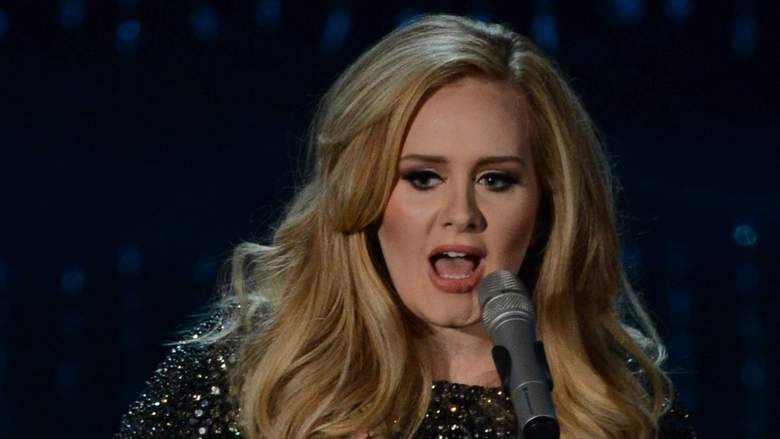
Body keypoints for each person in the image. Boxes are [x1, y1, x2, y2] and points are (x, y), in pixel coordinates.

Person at [115, 14, 697, 438]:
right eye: (423, 178)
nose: (462, 213)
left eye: (496, 179)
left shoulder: (620, 404)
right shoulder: (243, 380)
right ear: (363, 192)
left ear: (547, 205)